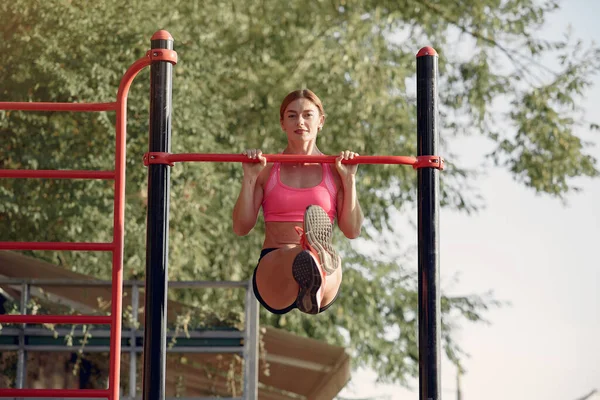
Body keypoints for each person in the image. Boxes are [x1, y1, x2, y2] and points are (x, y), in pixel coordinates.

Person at [232, 89, 364, 315]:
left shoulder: (335, 171)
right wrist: (250, 177)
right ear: (282, 123)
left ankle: (314, 278)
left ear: (321, 121)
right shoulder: (267, 168)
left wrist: (349, 180)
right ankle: (312, 259)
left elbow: (352, 230)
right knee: (299, 255)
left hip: (325, 277)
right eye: (292, 115)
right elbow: (241, 227)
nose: (300, 121)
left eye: (307, 115)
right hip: (276, 271)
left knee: (324, 260)